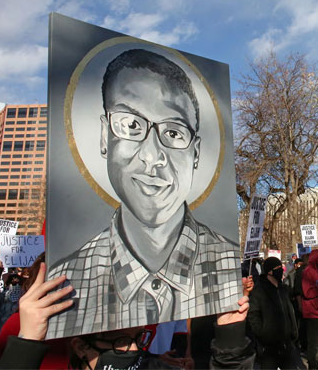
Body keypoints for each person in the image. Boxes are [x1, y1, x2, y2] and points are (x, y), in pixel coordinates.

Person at [47, 49, 240, 338]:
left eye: (174, 133)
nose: (152, 156)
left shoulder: (230, 268)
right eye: (131, 125)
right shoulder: (63, 286)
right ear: (105, 136)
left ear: (196, 152)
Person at [0, 262, 255, 370]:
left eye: (139, 338)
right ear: (80, 346)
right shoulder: (23, 327)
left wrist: (230, 336)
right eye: (118, 342)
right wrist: (27, 342)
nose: (131, 350)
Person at [248, 257, 303, 369]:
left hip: (287, 343)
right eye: (278, 268)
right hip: (269, 346)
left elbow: (289, 310)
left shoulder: (283, 289)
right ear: (270, 271)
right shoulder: (259, 291)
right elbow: (253, 316)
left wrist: (293, 331)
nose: (281, 270)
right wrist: (263, 333)